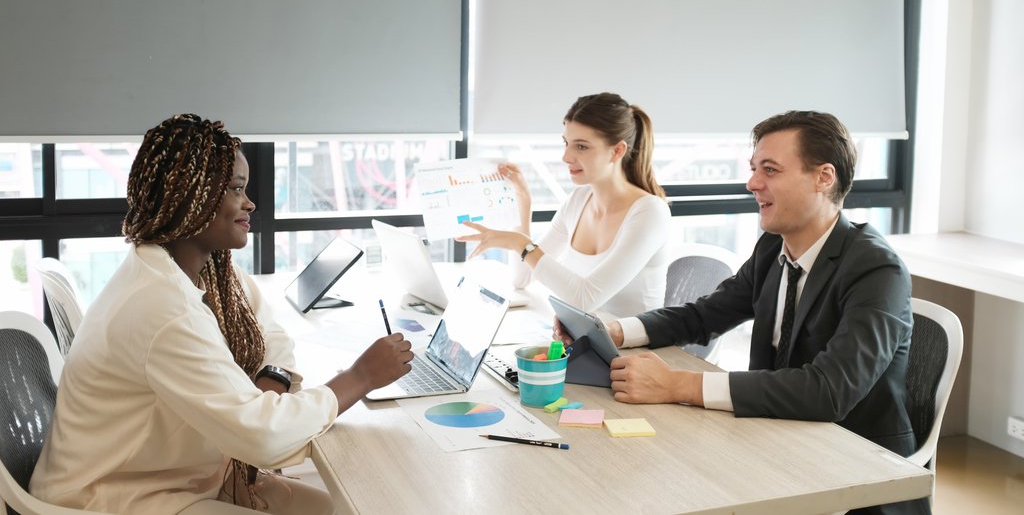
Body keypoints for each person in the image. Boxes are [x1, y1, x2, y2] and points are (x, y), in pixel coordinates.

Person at [30, 114, 413, 514]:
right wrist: (360, 377)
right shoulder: (162, 306)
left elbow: (272, 337)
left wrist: (270, 384)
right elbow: (264, 441)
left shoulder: (203, 269)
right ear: (189, 195)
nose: (250, 202)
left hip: (173, 476)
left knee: (344, 507)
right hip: (113, 498)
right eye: (235, 189)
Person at [575, 110, 927, 515]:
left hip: (854, 476)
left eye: (770, 170)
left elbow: (829, 391)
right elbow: (703, 316)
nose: (752, 183)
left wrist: (678, 385)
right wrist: (617, 330)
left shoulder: (875, 269)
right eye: (754, 169)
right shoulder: (773, 248)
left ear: (823, 177)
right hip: (772, 444)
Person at [459, 92, 671, 319]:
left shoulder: (650, 213)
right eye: (566, 143)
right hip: (582, 339)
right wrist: (522, 199)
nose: (566, 156)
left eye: (581, 147)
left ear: (617, 151)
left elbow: (585, 299)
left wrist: (519, 243)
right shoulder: (579, 200)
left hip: (634, 351)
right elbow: (522, 278)